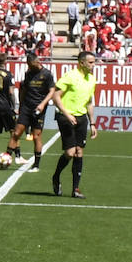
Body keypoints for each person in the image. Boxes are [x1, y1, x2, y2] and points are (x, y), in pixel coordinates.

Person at [50, 51, 99, 198]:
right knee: (70, 152)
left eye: (94, 62)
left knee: (79, 151)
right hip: (65, 117)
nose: (93, 65)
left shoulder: (91, 79)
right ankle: (56, 176)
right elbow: (55, 96)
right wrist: (67, 114)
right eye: (90, 62)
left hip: (81, 117)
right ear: (81, 63)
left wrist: (93, 123)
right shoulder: (70, 76)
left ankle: (75, 189)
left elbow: (89, 101)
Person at [6, 51, 55, 171]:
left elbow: (52, 91)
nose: (29, 68)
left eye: (31, 65)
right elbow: (24, 90)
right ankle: (6, 158)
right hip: (26, 108)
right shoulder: (28, 73)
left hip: (39, 109)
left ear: (37, 62)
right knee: (16, 133)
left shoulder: (47, 74)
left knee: (36, 136)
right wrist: (20, 105)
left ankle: (36, 165)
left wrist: (43, 104)